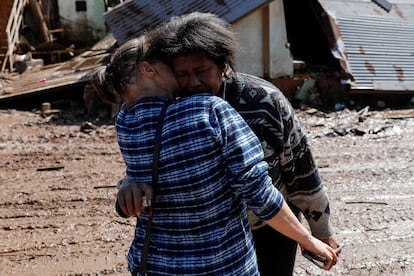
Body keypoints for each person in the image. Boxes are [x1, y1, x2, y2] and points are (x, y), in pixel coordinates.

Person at [91, 34, 338, 275]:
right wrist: (309, 239)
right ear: (149, 70)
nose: (193, 82)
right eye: (181, 72)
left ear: (224, 67)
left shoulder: (126, 119)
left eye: (201, 71)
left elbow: (302, 169)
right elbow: (257, 189)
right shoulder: (210, 110)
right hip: (223, 258)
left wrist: (321, 228)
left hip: (162, 261)